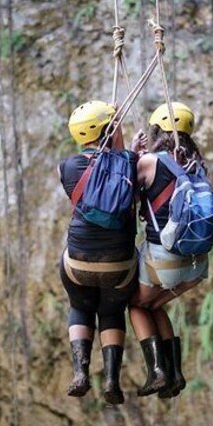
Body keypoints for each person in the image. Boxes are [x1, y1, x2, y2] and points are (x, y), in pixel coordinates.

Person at [58, 100, 139, 405]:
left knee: (80, 306)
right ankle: (111, 380)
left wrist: (115, 137)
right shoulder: (130, 161)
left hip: (78, 261)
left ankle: (80, 372)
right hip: (119, 266)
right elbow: (120, 168)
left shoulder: (65, 167)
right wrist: (124, 143)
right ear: (111, 128)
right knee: (111, 311)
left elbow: (95, 174)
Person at [128, 102, 210, 399]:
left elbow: (125, 191)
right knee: (154, 305)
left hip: (165, 259)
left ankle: (157, 372)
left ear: (155, 130)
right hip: (197, 263)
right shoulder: (196, 162)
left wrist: (132, 154)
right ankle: (174, 374)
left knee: (136, 305)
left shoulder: (151, 161)